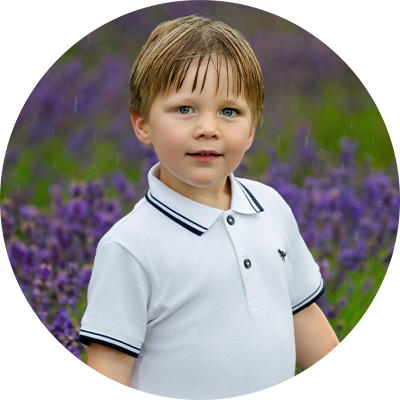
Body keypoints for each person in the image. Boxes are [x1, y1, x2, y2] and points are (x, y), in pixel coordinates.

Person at [79, 15, 339, 399]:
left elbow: (302, 315)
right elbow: (111, 366)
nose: (208, 128)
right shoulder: (131, 246)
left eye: (229, 112)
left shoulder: (271, 207)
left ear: (252, 130)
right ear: (142, 124)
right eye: (185, 109)